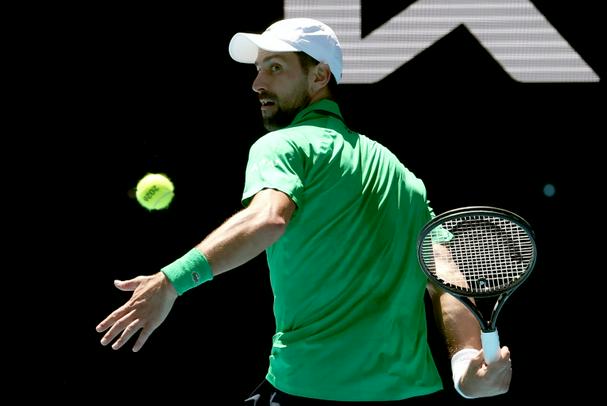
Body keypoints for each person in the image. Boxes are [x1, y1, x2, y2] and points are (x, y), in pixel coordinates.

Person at [96, 18, 512, 404]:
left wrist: (170, 282)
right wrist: (465, 367)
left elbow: (268, 219)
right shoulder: (402, 175)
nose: (257, 83)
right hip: (407, 396)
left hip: (307, 391)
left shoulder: (283, 145)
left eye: (275, 68)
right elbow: (445, 277)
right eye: (258, 69)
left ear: (319, 76)